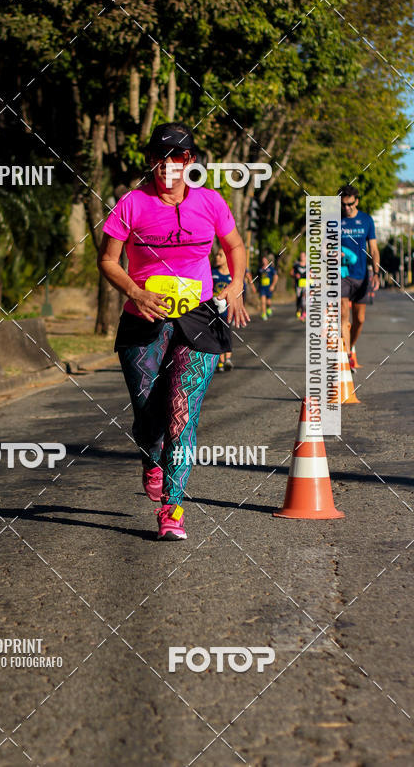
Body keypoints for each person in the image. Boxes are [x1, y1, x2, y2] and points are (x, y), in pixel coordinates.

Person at [97, 122, 249, 541]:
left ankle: (173, 509)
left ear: (191, 161)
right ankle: (152, 459)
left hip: (197, 317)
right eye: (161, 157)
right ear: (152, 161)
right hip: (143, 317)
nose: (169, 165)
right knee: (149, 413)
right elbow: (108, 260)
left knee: (182, 412)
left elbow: (234, 244)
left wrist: (236, 284)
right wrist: (135, 291)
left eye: (178, 157)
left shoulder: (211, 202)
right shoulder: (131, 203)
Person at [339, 185, 380, 367]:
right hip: (342, 274)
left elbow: (374, 249)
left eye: (349, 204)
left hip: (362, 275)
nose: (346, 208)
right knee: (343, 314)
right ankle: (347, 354)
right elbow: (323, 246)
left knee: (360, 319)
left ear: (357, 201)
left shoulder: (366, 220)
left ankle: (352, 346)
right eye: (343, 205)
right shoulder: (334, 220)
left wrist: (376, 273)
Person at [211, 248, 234, 370]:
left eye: (220, 255)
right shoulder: (212, 272)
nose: (217, 257)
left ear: (227, 258)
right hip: (214, 311)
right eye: (216, 255)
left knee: (227, 334)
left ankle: (228, 360)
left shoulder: (232, 274)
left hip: (228, 311)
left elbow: (239, 292)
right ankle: (221, 361)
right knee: (216, 335)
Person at [255, 254, 277, 320]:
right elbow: (258, 278)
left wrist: (273, 285)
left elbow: (276, 277)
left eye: (265, 260)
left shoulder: (271, 269)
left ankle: (268, 308)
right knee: (263, 302)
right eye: (263, 260)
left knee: (268, 302)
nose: (264, 262)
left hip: (269, 287)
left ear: (267, 261)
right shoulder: (260, 269)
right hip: (262, 288)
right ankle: (264, 314)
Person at [290, 251, 307, 321]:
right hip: (298, 284)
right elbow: (291, 273)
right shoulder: (296, 265)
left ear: (306, 257)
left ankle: (303, 312)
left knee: (304, 297)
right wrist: (295, 275)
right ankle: (298, 309)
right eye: (301, 256)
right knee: (299, 298)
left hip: (306, 284)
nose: (302, 257)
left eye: (303, 256)